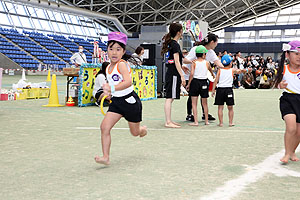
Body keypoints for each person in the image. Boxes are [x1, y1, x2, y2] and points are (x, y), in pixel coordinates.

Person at [94, 32, 147, 165]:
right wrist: (109, 92)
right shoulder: (108, 67)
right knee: (104, 127)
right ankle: (106, 157)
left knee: (135, 133)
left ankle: (142, 130)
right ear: (107, 50)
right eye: (111, 49)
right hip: (117, 103)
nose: (114, 52)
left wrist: (111, 88)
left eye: (118, 49)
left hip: (130, 102)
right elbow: (113, 85)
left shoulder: (122, 64)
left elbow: (128, 82)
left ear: (123, 51)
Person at [184, 33, 224, 121]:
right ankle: (189, 114)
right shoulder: (195, 49)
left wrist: (226, 68)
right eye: (216, 42)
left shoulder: (211, 52)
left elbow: (217, 62)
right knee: (192, 96)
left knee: (204, 96)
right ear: (212, 42)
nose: (217, 44)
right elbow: (185, 60)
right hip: (191, 76)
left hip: (203, 77)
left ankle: (204, 114)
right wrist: (195, 63)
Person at [274, 40, 300, 164]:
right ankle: (287, 153)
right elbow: (276, 84)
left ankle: (292, 151)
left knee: (299, 132)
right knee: (291, 127)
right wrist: (280, 85)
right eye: (296, 54)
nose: (299, 57)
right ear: (288, 55)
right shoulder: (283, 69)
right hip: (288, 99)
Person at [161, 23, 186, 128]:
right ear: (179, 32)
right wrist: (182, 76)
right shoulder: (174, 44)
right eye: (182, 30)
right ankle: (168, 122)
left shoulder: (172, 43)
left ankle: (169, 120)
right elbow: (176, 62)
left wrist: (191, 62)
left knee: (170, 97)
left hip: (172, 72)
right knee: (169, 97)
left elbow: (179, 60)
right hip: (173, 74)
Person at [212, 55, 245, 127]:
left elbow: (216, 81)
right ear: (230, 63)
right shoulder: (232, 70)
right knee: (230, 107)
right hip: (228, 90)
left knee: (220, 107)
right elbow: (239, 71)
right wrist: (244, 70)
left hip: (220, 90)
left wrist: (213, 90)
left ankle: (221, 123)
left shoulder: (220, 70)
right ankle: (230, 122)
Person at [186, 45, 215, 126]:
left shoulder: (194, 62)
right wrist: (213, 75)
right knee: (204, 103)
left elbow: (191, 74)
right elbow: (210, 70)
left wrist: (189, 84)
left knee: (194, 103)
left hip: (195, 82)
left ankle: (196, 122)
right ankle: (206, 121)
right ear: (203, 54)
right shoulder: (207, 62)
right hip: (204, 83)